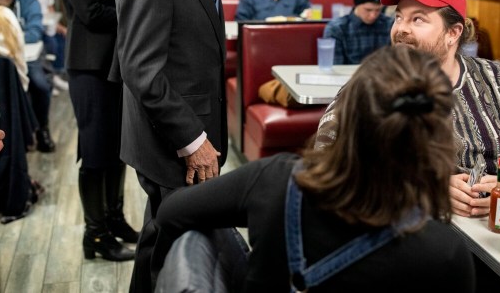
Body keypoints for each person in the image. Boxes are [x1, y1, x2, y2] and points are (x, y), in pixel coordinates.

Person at [156, 46, 476, 291]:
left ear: (346, 118)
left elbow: (171, 212)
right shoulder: (445, 254)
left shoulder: (277, 180)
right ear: (439, 143)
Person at [315, 0, 500, 217]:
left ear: (453, 33)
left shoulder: (498, 81)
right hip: (409, 234)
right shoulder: (370, 85)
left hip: (495, 234)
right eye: (399, 17)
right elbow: (327, 161)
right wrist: (426, 189)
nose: (401, 28)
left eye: (418, 20)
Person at [112, 0, 233, 293]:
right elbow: (141, 68)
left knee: (163, 240)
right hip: (173, 142)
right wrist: (193, 141)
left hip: (191, 131)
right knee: (173, 246)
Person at [49, 0, 136, 262]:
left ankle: (115, 221)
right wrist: (134, 10)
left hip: (114, 64)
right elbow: (89, 13)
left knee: (117, 151)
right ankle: (95, 237)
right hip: (88, 67)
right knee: (95, 153)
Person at [0, 0, 56, 152]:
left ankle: (42, 127)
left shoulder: (29, 2)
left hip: (28, 57)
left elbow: (34, 34)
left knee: (40, 85)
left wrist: (5, 39)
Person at [323, 0, 392, 65]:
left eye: (378, 10)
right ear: (356, 5)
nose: (373, 15)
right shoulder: (337, 29)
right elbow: (336, 70)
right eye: (368, 10)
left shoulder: (390, 25)